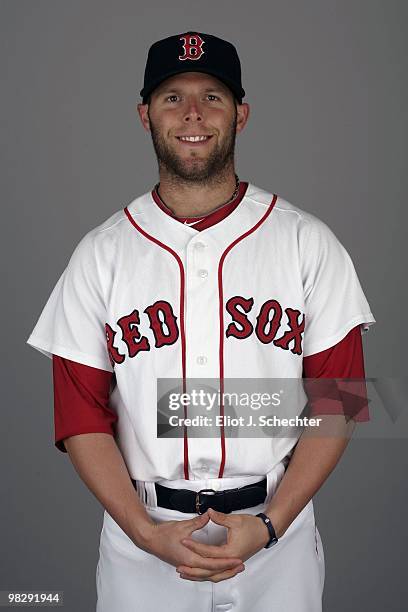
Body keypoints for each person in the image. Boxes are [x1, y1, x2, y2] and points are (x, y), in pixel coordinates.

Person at [26, 31, 376, 611]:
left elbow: (337, 400)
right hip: (143, 538)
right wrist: (144, 533)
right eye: (172, 97)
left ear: (242, 113)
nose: (193, 113)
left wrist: (271, 525)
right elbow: (78, 412)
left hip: (276, 538)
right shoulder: (102, 253)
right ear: (145, 115)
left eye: (212, 96)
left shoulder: (306, 243)